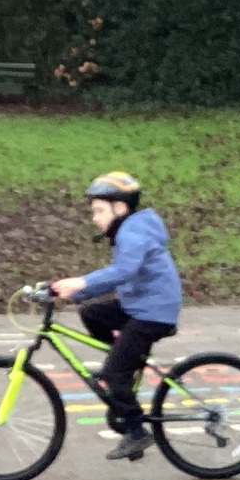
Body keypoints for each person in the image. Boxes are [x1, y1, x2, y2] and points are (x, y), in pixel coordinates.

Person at [49, 171, 183, 462]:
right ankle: (123, 366)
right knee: (92, 314)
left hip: (153, 312)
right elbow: (117, 277)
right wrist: (72, 293)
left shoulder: (133, 232)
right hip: (140, 305)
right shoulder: (130, 229)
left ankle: (136, 432)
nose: (94, 218)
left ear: (119, 208)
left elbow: (122, 272)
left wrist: (80, 283)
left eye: (99, 211)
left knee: (113, 373)